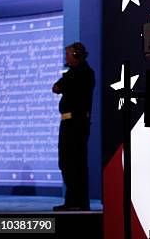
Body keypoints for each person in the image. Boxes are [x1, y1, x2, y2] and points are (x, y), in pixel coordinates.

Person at [51, 42, 95, 211]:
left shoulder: (84, 73)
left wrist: (65, 85)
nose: (66, 58)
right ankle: (72, 201)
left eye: (68, 55)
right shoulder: (71, 73)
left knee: (76, 163)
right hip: (67, 123)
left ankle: (79, 202)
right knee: (66, 162)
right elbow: (55, 88)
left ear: (77, 55)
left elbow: (60, 87)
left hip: (77, 124)